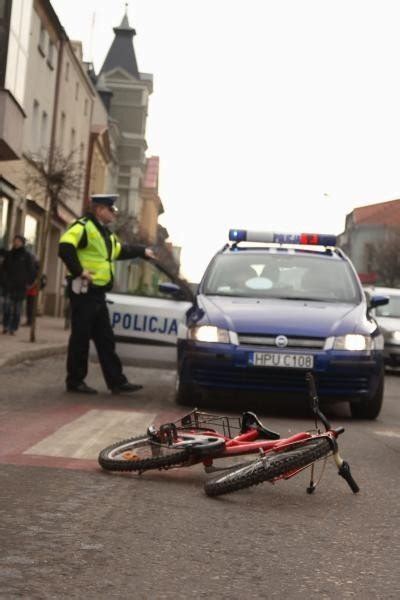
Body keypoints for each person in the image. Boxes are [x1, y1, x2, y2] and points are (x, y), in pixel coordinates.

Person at [58, 194, 156, 395]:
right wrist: (79, 271)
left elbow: (120, 251)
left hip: (97, 295)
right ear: (100, 209)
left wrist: (141, 251)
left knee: (105, 339)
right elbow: (65, 247)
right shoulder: (83, 226)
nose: (114, 214)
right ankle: (75, 381)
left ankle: (116, 382)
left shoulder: (105, 234)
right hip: (84, 292)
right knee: (81, 338)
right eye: (112, 210)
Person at [2, 235, 36, 335]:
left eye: (18, 241)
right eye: (15, 240)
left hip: (21, 287)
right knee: (6, 307)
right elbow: (3, 269)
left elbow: (32, 271)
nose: (16, 242)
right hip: (8, 286)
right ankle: (5, 326)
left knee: (17, 309)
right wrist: (4, 281)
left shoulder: (27, 256)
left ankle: (13, 328)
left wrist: (29, 283)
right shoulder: (9, 254)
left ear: (22, 243)